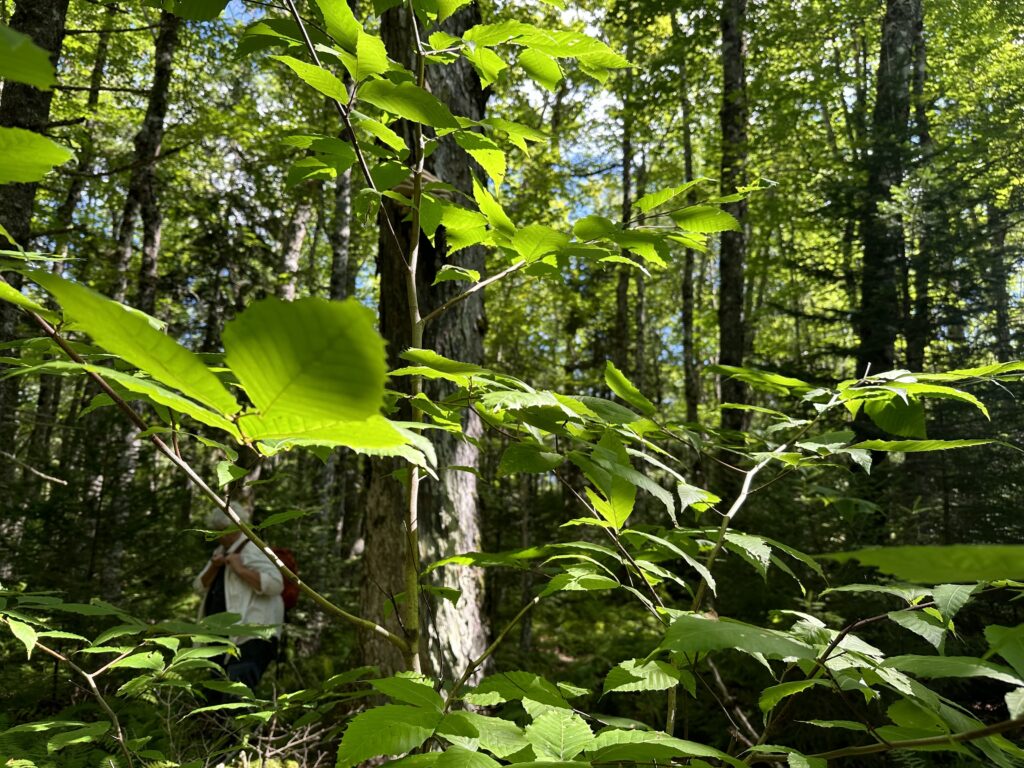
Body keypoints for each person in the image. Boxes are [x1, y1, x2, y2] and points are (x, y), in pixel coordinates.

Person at [193, 504, 284, 691]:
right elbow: (199, 587)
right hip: (224, 637)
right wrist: (214, 566)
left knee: (237, 691)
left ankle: (239, 721)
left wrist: (240, 569)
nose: (217, 535)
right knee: (218, 690)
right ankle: (220, 721)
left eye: (219, 531)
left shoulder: (253, 548)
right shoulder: (221, 551)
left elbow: (276, 584)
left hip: (253, 635)